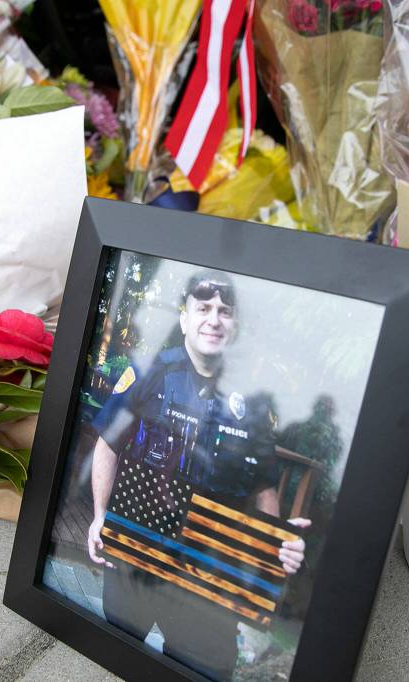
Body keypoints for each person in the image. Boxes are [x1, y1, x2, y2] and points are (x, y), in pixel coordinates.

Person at [86, 270, 310, 681]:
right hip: (138, 550)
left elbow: (264, 487)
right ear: (185, 317)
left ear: (235, 324)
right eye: (203, 308)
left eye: (225, 311)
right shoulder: (149, 371)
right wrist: (100, 515)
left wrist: (275, 542)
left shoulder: (254, 402)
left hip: (208, 571)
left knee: (208, 669)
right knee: (117, 652)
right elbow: (107, 444)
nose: (214, 319)